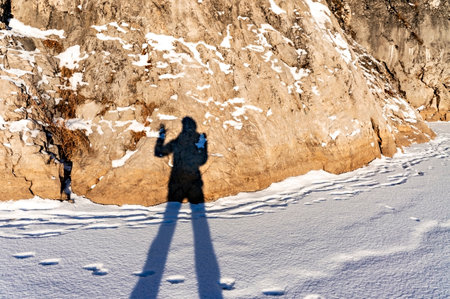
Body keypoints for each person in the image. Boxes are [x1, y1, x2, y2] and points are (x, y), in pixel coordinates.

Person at [155, 117, 207, 204]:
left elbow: (159, 152)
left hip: (178, 181)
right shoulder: (195, 141)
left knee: (172, 212)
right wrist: (202, 147)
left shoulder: (176, 143)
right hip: (191, 181)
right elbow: (202, 161)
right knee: (198, 213)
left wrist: (161, 137)